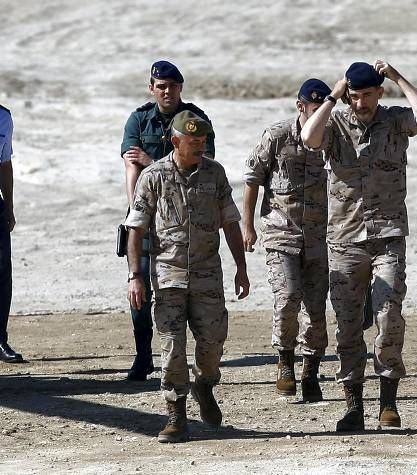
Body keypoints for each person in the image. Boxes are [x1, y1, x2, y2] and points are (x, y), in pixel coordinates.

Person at [301, 60, 417, 431]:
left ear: (379, 93)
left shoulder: (393, 120)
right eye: (355, 96)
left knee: (388, 316)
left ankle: (388, 403)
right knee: (347, 327)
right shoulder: (337, 122)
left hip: (386, 237)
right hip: (344, 240)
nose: (360, 103)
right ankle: (353, 405)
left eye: (367, 95)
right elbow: (309, 137)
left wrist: (396, 76)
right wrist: (333, 94)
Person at [125, 110, 249, 443]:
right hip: (168, 276)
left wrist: (241, 266)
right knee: (172, 348)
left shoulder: (215, 174)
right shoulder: (153, 176)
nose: (200, 146)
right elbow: (135, 229)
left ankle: (204, 384)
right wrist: (135, 275)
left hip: (208, 274)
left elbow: (230, 222)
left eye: (203, 140)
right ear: (175, 141)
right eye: (193, 142)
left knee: (212, 345)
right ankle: (176, 416)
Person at [120, 60, 215, 381]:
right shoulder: (139, 120)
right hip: (149, 218)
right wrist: (136, 215)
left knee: (186, 289)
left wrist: (152, 162)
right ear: (152, 88)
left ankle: (183, 354)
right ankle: (143, 355)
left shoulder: (194, 120)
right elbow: (130, 166)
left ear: (180, 88)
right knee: (139, 286)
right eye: (161, 86)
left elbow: (204, 163)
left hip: (184, 220)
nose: (167, 91)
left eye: (173, 86)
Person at [242, 78, 332, 402]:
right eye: (313, 108)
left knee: (316, 308)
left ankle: (310, 371)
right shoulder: (277, 136)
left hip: (318, 236)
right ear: (301, 107)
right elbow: (252, 178)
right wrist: (248, 226)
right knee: (289, 296)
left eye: (324, 108)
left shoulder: (332, 140)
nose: (317, 114)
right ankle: (284, 359)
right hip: (281, 232)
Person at [0, 104, 21, 363]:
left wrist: (9, 206)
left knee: (2, 271)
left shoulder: (3, 118)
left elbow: (4, 163)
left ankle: (0, 339)